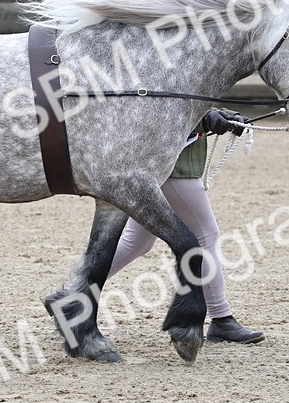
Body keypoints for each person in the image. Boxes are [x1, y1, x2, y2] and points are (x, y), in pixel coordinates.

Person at [106, 109, 265, 344]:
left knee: (137, 242)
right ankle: (221, 319)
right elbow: (167, 108)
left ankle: (73, 291)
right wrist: (204, 120)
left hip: (158, 164)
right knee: (206, 235)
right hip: (172, 167)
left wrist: (219, 115)